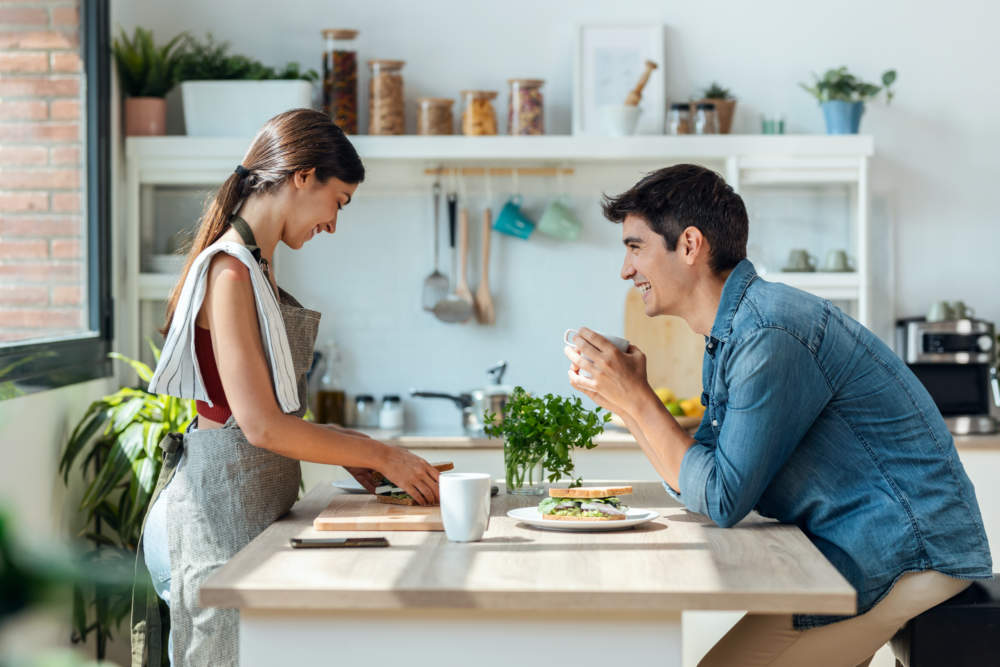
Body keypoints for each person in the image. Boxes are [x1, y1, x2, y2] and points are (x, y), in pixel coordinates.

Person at [564, 164, 992, 666]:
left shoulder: (768, 332)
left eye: (635, 247)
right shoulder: (737, 329)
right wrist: (625, 398)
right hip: (855, 548)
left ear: (689, 245)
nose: (626, 270)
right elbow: (707, 474)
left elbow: (722, 498)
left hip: (905, 555)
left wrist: (636, 398)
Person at [130, 109, 441, 667]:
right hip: (210, 524)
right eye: (338, 201)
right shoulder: (229, 272)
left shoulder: (257, 266)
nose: (334, 223)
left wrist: (347, 450)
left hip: (246, 515)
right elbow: (261, 425)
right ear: (303, 177)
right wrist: (378, 453)